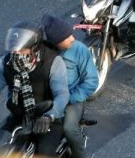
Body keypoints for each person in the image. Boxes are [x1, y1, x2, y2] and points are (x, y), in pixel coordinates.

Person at [0, 22, 69, 154]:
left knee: (44, 152)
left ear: (34, 48)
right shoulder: (6, 63)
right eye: (13, 50)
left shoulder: (53, 62)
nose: (16, 54)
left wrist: (49, 116)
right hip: (19, 116)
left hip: (48, 119)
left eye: (22, 50)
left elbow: (62, 95)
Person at [41, 15, 96, 158]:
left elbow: (91, 81)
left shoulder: (79, 49)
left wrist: (69, 98)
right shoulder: (45, 52)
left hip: (73, 99)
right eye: (67, 37)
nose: (72, 38)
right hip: (48, 98)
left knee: (69, 129)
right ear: (56, 42)